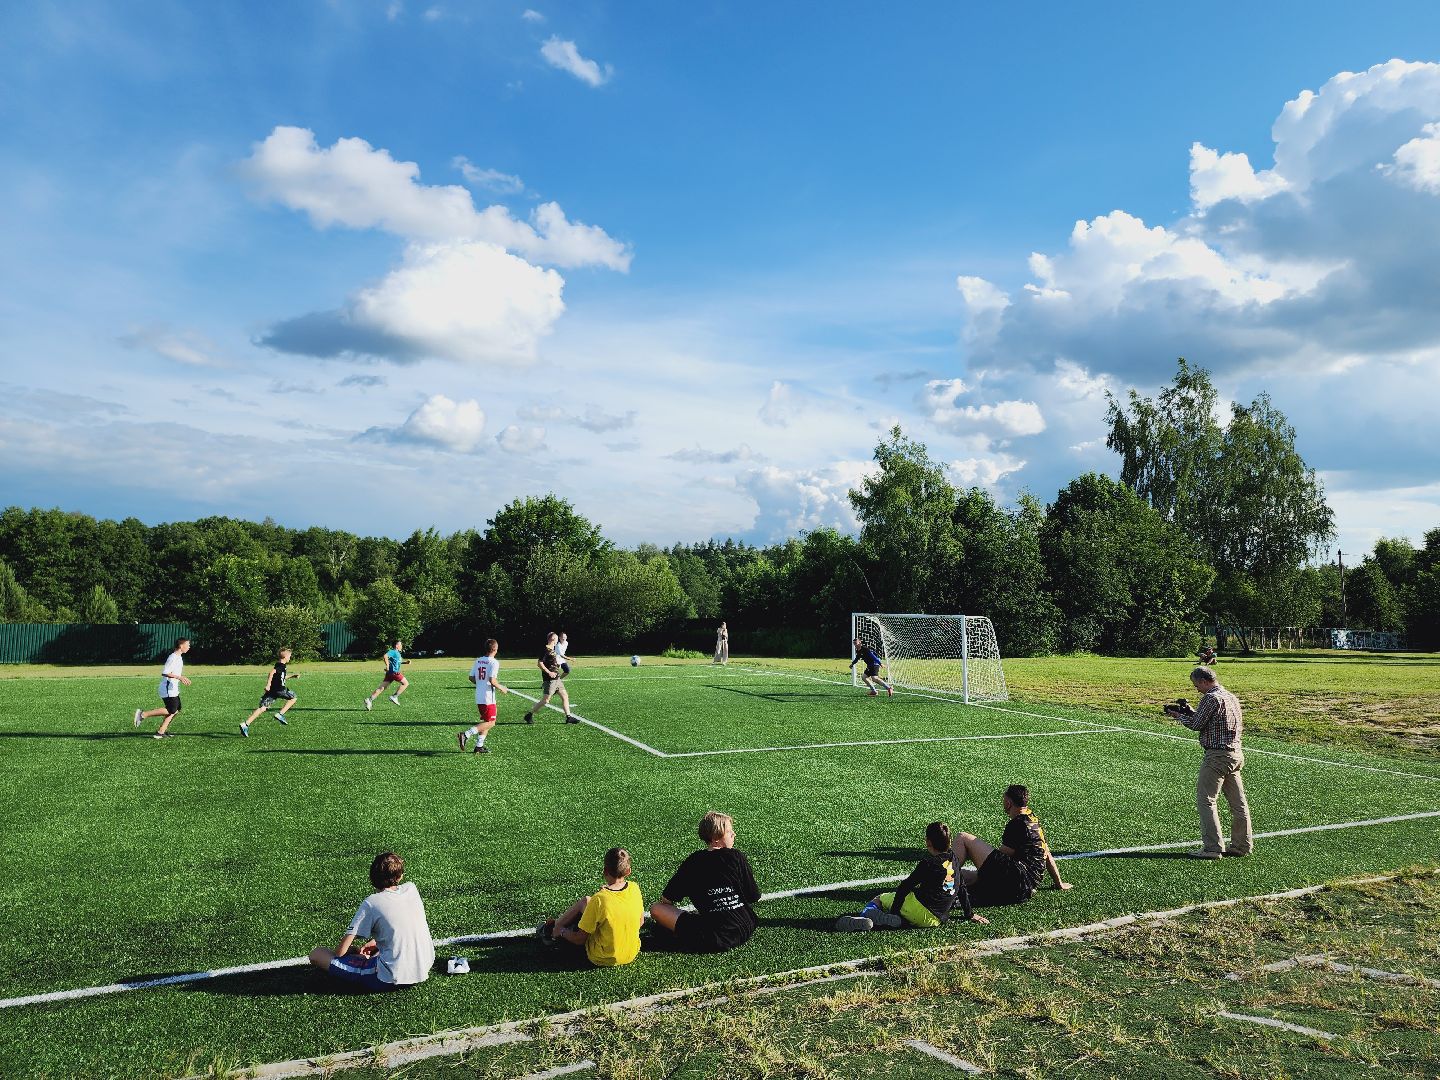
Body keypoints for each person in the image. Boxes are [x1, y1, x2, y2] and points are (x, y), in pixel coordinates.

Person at [308, 851, 435, 991]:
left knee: (317, 953)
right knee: (376, 952)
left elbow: (340, 952)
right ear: (400, 877)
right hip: (424, 967)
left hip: (390, 977)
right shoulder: (411, 888)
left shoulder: (371, 903)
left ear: (371, 877)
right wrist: (375, 943)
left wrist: (355, 951)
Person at [1165, 665, 1253, 859]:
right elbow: (1210, 720)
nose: (1196, 689)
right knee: (1238, 804)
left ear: (1204, 681)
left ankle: (1212, 848)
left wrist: (1179, 716)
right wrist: (1190, 711)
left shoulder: (1211, 698)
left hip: (1217, 756)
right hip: (1235, 754)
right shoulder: (1230, 696)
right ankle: (1242, 845)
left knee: (1206, 800)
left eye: (1196, 685)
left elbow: (1197, 724)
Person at [836, 821, 988, 931]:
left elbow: (905, 886)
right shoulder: (954, 859)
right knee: (913, 910)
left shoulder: (928, 864)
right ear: (949, 841)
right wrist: (969, 914)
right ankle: (900, 921)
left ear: (928, 842)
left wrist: (894, 910)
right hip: (935, 921)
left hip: (919, 910)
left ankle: (867, 915)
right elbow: (961, 887)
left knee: (880, 898)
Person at [650, 811, 760, 953]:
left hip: (717, 937)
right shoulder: (736, 856)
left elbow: (667, 899)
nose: (734, 834)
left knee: (656, 908)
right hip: (747, 925)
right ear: (715, 838)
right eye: (729, 831)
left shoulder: (693, 862)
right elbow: (753, 896)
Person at [955, 785, 1072, 906]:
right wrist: (1059, 883)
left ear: (1008, 803)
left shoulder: (1017, 824)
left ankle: (946, 876)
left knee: (962, 838)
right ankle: (947, 881)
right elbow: (1046, 854)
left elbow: (998, 859)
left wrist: (972, 853)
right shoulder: (1033, 821)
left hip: (1016, 882)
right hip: (1027, 887)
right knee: (968, 876)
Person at [536, 847, 645, 967]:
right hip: (631, 954)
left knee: (585, 901)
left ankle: (553, 930)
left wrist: (562, 932)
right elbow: (640, 922)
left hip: (602, 957)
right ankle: (555, 927)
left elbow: (579, 939)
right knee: (589, 903)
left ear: (605, 871)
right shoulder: (634, 888)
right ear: (628, 871)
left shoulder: (600, 899)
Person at [457, 638, 510, 754]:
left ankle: (479, 746)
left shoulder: (478, 660)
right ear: (495, 649)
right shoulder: (494, 662)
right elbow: (492, 680)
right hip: (488, 697)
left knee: (487, 721)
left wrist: (481, 683)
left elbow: (471, 677)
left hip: (479, 695)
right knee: (491, 723)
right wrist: (502, 688)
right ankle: (466, 734)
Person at [133, 637, 191, 739]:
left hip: (173, 688)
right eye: (188, 645)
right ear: (181, 646)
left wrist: (180, 678)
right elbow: (165, 672)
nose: (189, 647)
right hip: (168, 689)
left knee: (176, 709)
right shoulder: (173, 657)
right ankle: (143, 714)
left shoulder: (179, 657)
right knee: (171, 709)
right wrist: (180, 677)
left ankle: (160, 732)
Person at [241, 647, 300, 737]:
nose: (290, 658)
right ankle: (280, 714)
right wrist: (268, 684)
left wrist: (292, 676)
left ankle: (245, 724)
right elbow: (271, 673)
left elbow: (281, 677)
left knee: (263, 708)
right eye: (289, 656)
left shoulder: (280, 665)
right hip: (280, 689)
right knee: (294, 697)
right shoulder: (281, 666)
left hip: (273, 691)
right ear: (285, 657)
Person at [522, 632, 577, 725]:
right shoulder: (546, 649)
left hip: (557, 678)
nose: (557, 641)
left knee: (565, 696)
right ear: (553, 639)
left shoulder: (553, 649)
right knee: (546, 700)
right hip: (550, 680)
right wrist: (549, 672)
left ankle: (568, 717)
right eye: (556, 639)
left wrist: (557, 666)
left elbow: (552, 662)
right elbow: (539, 663)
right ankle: (529, 715)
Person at [364, 640, 410, 710]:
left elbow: (396, 662)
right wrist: (387, 666)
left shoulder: (397, 653)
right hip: (394, 672)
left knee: (382, 688)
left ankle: (369, 700)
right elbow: (385, 656)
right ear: (396, 646)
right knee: (405, 683)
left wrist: (405, 662)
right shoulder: (393, 651)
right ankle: (394, 697)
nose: (401, 646)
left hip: (390, 673)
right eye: (400, 645)